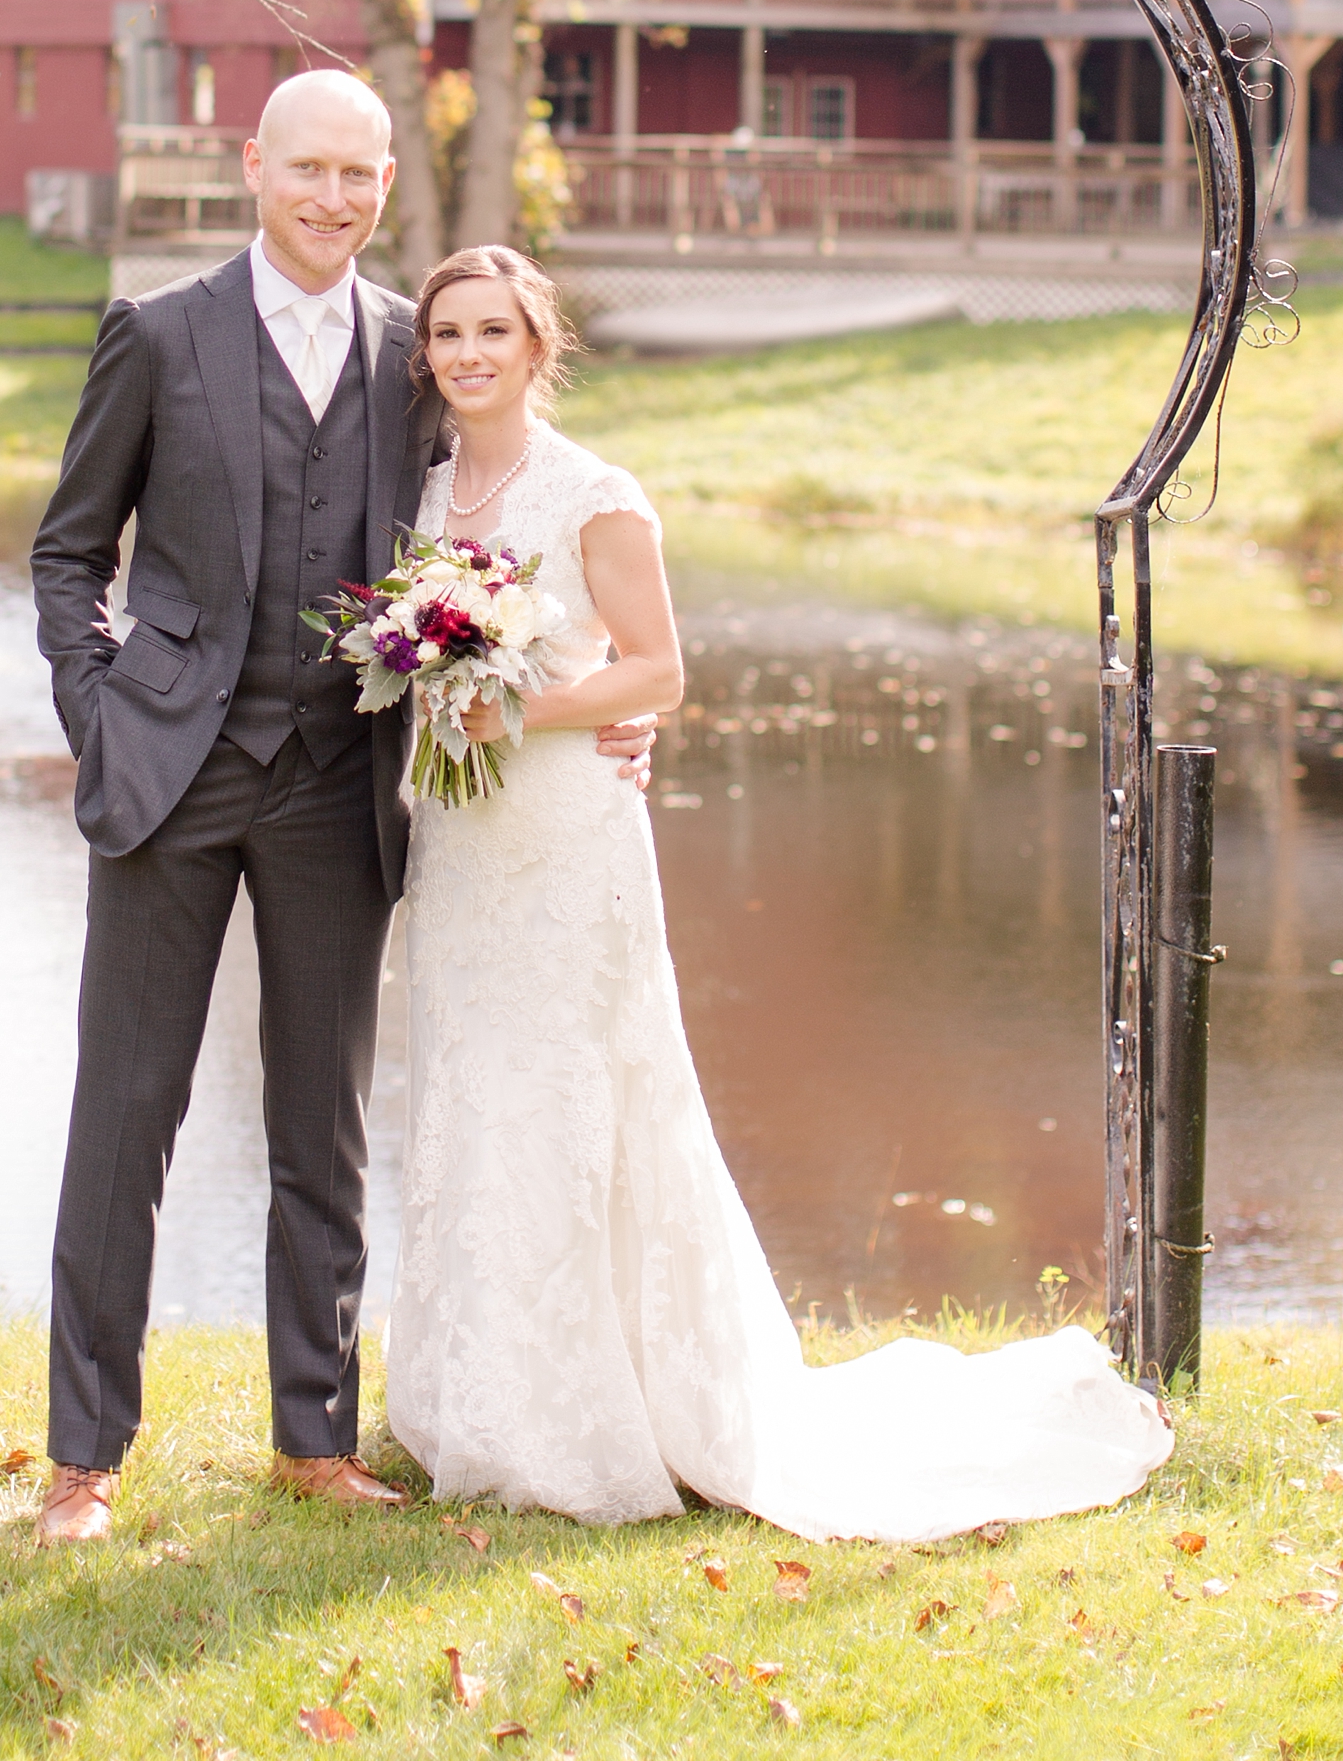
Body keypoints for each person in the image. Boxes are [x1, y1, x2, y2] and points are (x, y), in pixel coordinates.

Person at [385, 243, 1174, 1538]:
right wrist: (446, 700)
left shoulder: (596, 494)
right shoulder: (420, 496)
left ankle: (608, 1407)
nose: (469, 355)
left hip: (568, 836)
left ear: (538, 346)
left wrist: (509, 712)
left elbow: (657, 677)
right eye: (449, 335)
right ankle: (475, 1394)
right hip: (464, 844)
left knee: (583, 1089)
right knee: (475, 1080)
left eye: (494, 332)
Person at [27, 78, 655, 1542]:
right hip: (169, 781)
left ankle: (313, 1436)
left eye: (356, 175)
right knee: (127, 1115)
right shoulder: (158, 332)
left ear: (384, 184)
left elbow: (504, 547)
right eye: (304, 168)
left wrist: (594, 703)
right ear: (254, 167)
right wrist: (101, 712)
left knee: (325, 1126)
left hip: (337, 790)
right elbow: (69, 555)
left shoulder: (411, 355)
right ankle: (85, 1458)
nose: (329, 198)